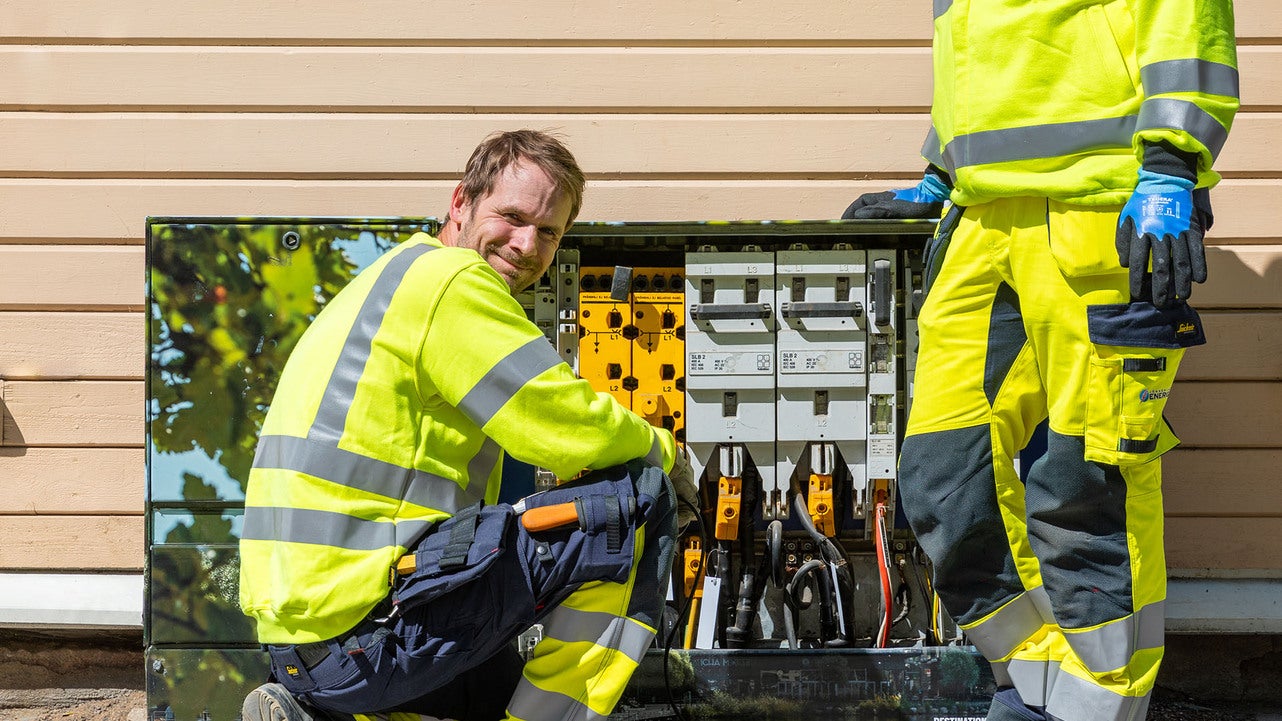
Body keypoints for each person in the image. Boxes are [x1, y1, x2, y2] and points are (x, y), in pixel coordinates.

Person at [845, 4, 1237, 720]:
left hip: (1102, 207)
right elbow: (980, 49)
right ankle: (1036, 681)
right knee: (941, 475)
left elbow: (1186, 19)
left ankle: (1097, 704)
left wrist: (1173, 163)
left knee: (1086, 485)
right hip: (982, 216)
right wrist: (943, 165)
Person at [238, 129, 697, 721]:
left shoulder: (388, 280)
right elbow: (571, 426)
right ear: (460, 202)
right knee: (634, 501)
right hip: (370, 634)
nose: (528, 244)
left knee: (497, 684)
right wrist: (665, 450)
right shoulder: (451, 281)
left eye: (549, 231)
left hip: (308, 650)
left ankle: (320, 715)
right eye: (512, 216)